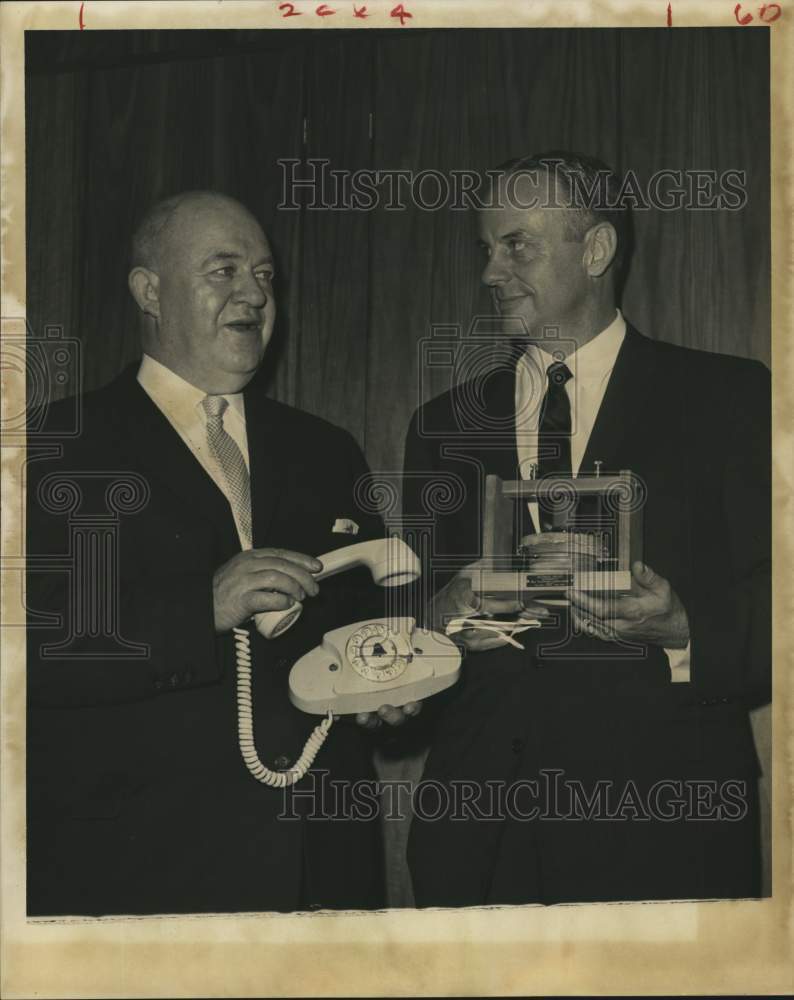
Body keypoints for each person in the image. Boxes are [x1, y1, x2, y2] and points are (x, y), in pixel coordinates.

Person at [403, 152, 771, 906]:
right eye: (486, 249)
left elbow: (782, 603)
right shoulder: (440, 429)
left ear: (596, 250)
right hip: (483, 834)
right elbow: (410, 622)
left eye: (516, 245)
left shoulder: (730, 398)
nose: (489, 274)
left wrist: (684, 628)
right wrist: (441, 620)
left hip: (666, 829)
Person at [26, 191, 405, 916]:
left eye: (264, 276)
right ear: (149, 291)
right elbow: (24, 652)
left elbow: (362, 626)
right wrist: (201, 607)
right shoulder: (55, 447)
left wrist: (386, 685)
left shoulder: (326, 450)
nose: (254, 295)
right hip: (141, 874)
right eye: (223, 271)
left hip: (321, 869)